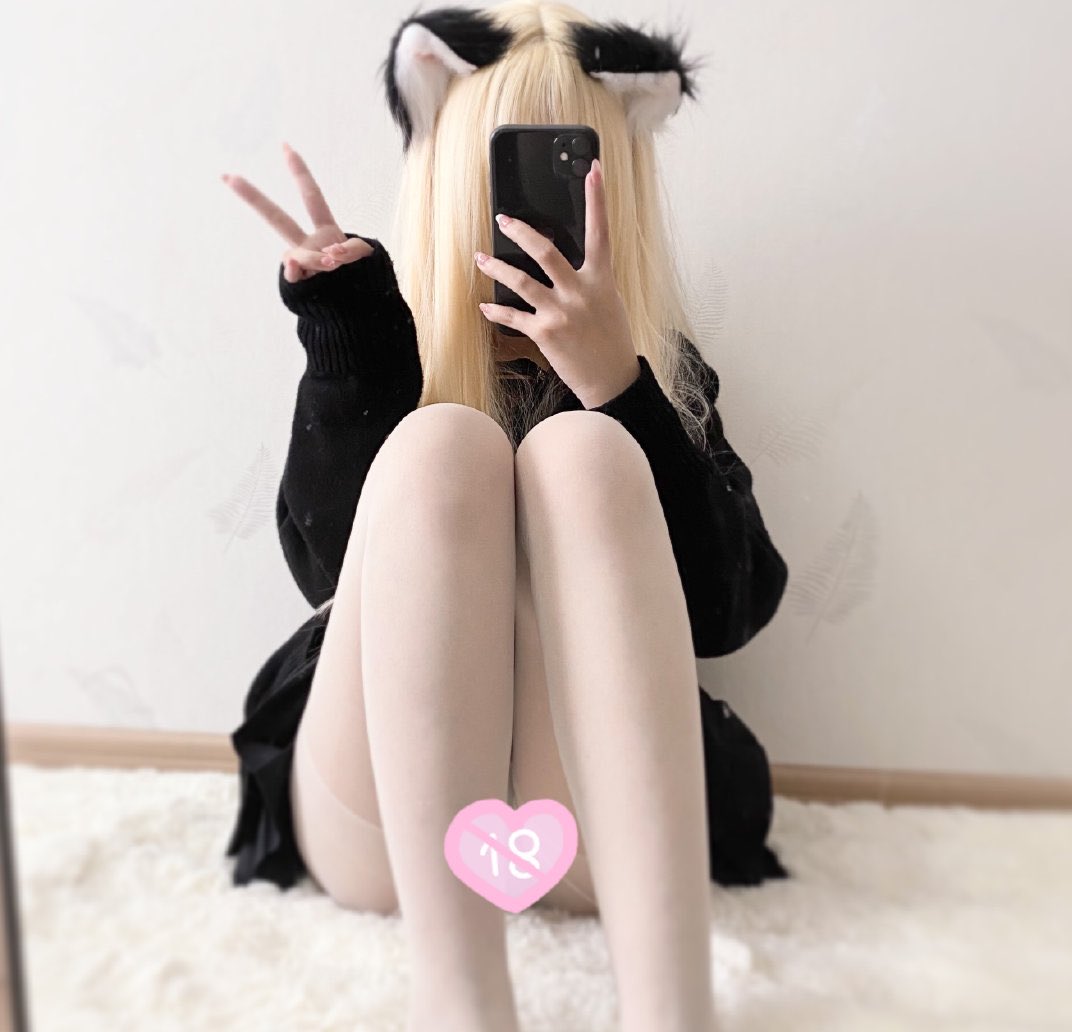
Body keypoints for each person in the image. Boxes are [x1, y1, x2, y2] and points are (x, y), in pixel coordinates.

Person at [222, 4, 790, 1031]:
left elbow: (727, 612)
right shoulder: (390, 351)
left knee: (584, 453)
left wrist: (622, 393)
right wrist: (349, 342)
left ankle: (672, 1009)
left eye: (569, 170)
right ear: (452, 181)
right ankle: (460, 1004)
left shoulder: (665, 382)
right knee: (443, 446)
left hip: (593, 829)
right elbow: (329, 581)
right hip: (388, 822)